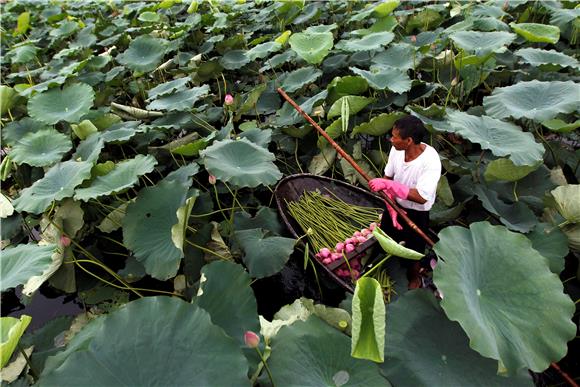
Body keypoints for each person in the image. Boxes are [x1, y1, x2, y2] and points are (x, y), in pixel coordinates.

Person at [368, 115, 441, 289]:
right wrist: (391, 207)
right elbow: (387, 177)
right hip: (396, 204)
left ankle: (414, 279)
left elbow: (421, 196)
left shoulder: (430, 161)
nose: (391, 140)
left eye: (394, 137)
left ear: (408, 141)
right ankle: (374, 269)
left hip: (417, 212)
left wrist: (389, 184)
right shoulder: (397, 150)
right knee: (384, 238)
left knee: (414, 252)